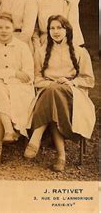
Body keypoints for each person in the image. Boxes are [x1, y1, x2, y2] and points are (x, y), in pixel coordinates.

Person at [24, 16, 95, 172]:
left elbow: (89, 80)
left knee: (54, 94)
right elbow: (36, 79)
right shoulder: (41, 52)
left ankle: (37, 135)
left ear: (67, 30)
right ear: (48, 31)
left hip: (73, 96)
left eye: (59, 28)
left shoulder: (80, 51)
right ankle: (61, 157)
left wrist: (71, 82)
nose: (55, 32)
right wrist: (51, 84)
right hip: (49, 93)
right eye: (52, 28)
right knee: (54, 95)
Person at [0, 13, 35, 165]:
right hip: (0, 87)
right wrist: (14, 73)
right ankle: (9, 130)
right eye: (0, 27)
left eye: (7, 27)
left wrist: (7, 77)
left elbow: (29, 75)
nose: (3, 31)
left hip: (20, 89)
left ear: (13, 29)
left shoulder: (22, 47)